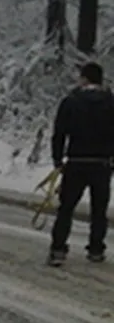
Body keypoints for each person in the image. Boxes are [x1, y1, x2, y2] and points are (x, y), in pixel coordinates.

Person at [48, 62, 114, 266]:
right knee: (99, 210)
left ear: (84, 78)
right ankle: (96, 249)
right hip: (102, 163)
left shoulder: (71, 101)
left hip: (76, 162)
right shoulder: (111, 103)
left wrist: (58, 160)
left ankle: (58, 249)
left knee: (66, 208)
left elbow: (59, 133)